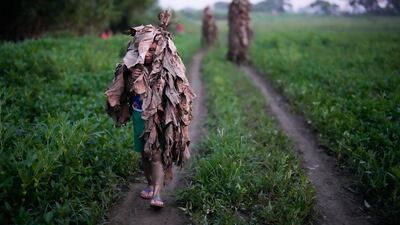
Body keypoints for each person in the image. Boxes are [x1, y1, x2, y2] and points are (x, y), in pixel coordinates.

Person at [105, 9, 195, 208]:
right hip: (139, 113)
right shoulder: (132, 67)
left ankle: (157, 194)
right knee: (145, 154)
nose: (148, 53)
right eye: (145, 49)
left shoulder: (169, 68)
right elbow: (126, 92)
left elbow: (178, 92)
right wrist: (134, 77)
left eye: (154, 49)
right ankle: (149, 184)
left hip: (161, 115)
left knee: (155, 154)